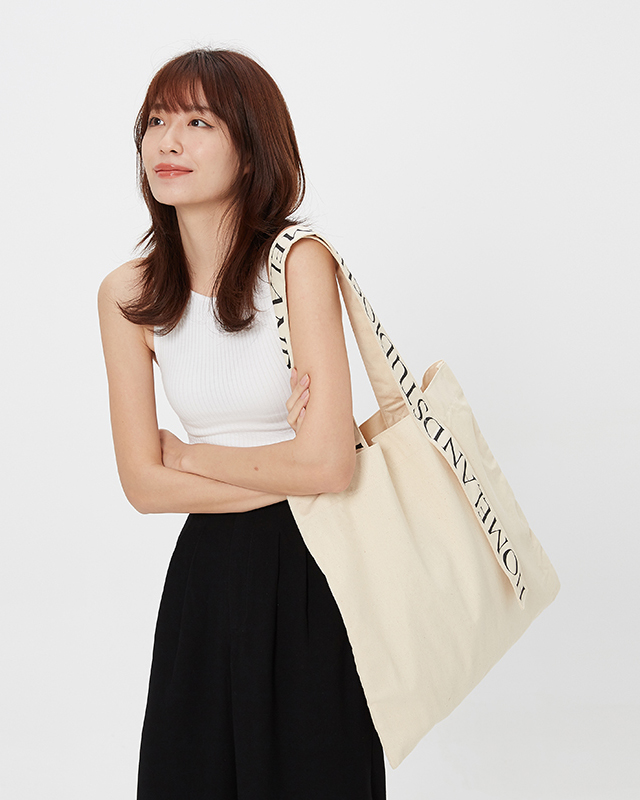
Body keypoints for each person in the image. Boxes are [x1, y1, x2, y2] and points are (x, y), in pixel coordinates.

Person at [98, 48, 386, 799]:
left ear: (252, 149)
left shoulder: (298, 264)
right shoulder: (128, 293)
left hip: (313, 572)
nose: (168, 141)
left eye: (199, 122)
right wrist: (293, 461)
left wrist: (192, 457)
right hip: (206, 581)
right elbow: (143, 487)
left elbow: (331, 467)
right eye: (156, 121)